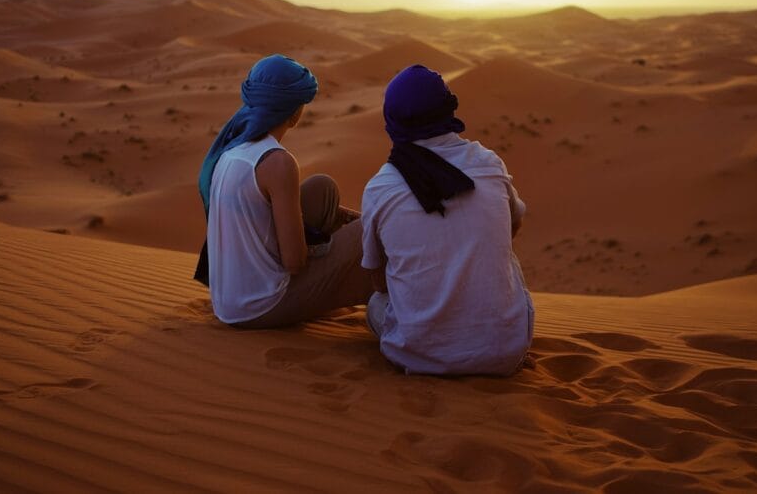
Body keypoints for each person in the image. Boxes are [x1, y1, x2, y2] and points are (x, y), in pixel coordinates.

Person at [361, 64, 533, 375]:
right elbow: (514, 224)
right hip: (506, 354)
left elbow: (377, 280)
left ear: (392, 118)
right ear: (447, 108)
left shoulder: (381, 186)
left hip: (416, 356)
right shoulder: (489, 163)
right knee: (507, 258)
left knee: (376, 304)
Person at [194, 54, 373, 328]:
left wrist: (342, 220)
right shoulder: (277, 162)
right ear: (294, 111)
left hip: (228, 301)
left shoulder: (232, 148)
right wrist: (337, 244)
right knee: (373, 229)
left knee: (321, 189)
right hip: (261, 305)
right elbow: (294, 262)